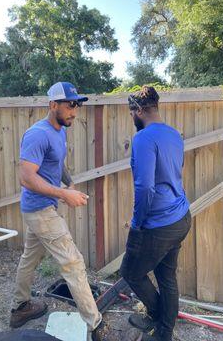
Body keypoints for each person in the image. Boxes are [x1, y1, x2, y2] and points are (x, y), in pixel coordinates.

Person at [10, 82, 105, 340]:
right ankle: (97, 327)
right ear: (53, 105)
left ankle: (20, 308)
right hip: (40, 210)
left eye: (77, 105)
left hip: (42, 207)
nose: (75, 111)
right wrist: (65, 194)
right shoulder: (37, 134)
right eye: (70, 105)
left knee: (29, 259)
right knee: (73, 263)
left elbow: (57, 161)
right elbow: (27, 178)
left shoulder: (60, 131)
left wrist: (69, 182)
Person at [120, 86, 191, 341]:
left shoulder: (143, 138)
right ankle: (164, 331)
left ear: (139, 110)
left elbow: (145, 186)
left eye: (131, 113)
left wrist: (137, 224)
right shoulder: (174, 134)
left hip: (158, 224)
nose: (132, 118)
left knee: (130, 272)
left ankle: (158, 317)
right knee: (166, 276)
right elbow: (174, 172)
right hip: (181, 217)